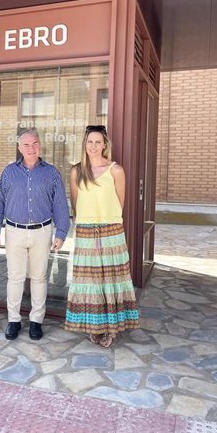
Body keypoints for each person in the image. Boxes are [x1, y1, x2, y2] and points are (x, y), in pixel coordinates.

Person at [0, 128, 70, 341]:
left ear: (40, 145)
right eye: (26, 145)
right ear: (19, 148)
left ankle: (36, 322)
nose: (31, 148)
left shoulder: (51, 173)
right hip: (14, 231)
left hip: (42, 231)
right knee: (15, 278)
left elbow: (60, 204)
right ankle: (13, 321)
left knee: (39, 278)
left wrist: (61, 232)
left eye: (34, 144)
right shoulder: (8, 172)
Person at [64, 125, 140, 348]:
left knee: (111, 281)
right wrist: (87, 225)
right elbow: (76, 203)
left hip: (111, 232)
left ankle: (110, 328)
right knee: (90, 282)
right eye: (90, 142)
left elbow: (120, 203)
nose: (93, 146)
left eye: (98, 142)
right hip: (86, 233)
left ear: (105, 144)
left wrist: (106, 225)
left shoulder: (116, 170)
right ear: (84, 145)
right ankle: (93, 326)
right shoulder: (77, 171)